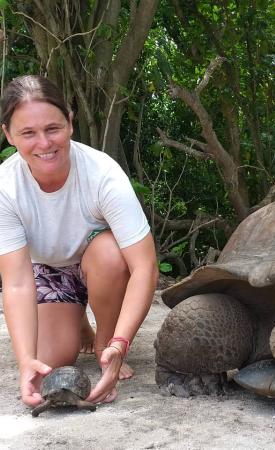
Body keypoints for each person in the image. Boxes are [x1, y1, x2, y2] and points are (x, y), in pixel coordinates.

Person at [0, 75, 159, 408]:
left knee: (112, 253)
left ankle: (103, 344)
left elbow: (143, 266)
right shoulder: (6, 187)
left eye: (52, 128)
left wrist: (120, 343)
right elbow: (15, 282)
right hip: (49, 270)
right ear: (9, 135)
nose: (44, 143)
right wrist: (26, 359)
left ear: (70, 123)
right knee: (50, 365)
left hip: (99, 265)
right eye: (28, 133)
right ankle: (76, 322)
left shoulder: (102, 174)